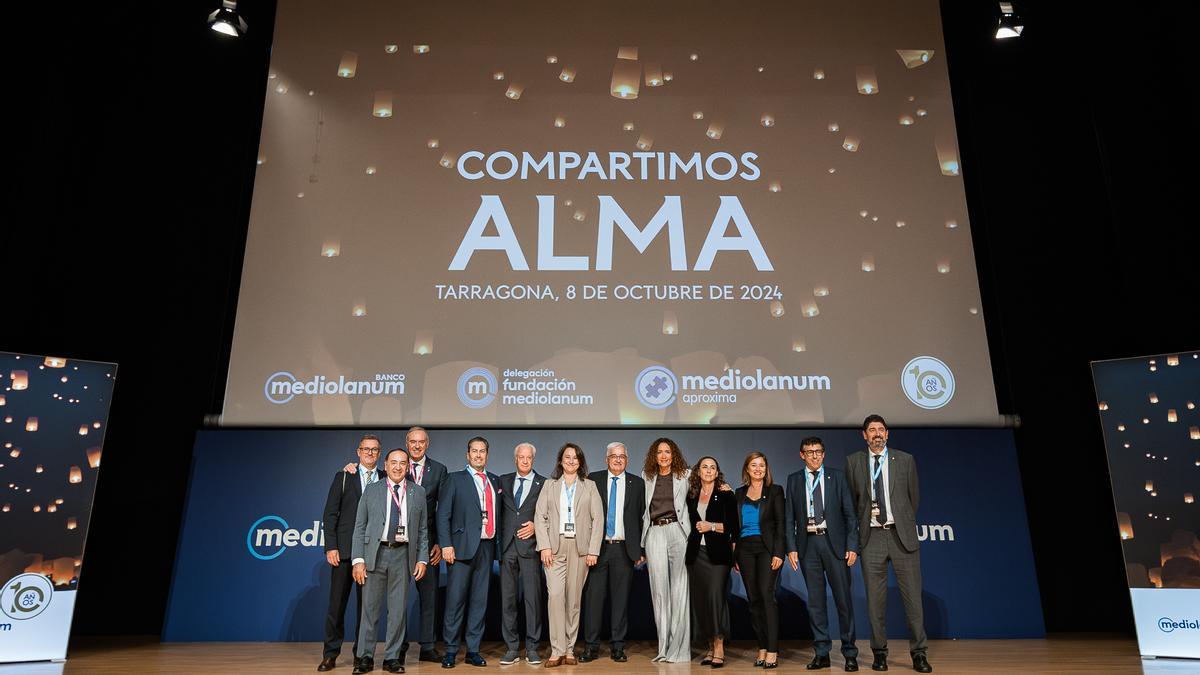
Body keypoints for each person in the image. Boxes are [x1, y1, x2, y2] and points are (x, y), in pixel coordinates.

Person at [846, 416, 932, 673]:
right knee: (875, 602)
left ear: (887, 433)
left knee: (913, 601)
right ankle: (879, 653)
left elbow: (912, 498)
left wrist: (900, 522)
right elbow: (853, 503)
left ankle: (919, 654)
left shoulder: (905, 459)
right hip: (871, 537)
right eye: (871, 430)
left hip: (901, 536)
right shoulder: (854, 462)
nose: (877, 434)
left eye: (881, 429)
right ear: (864, 435)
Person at [350, 448, 430, 674]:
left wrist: (422, 559)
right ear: (385, 465)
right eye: (393, 462)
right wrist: (358, 559)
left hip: (403, 555)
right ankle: (365, 657)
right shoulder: (372, 490)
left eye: (402, 463)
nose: (397, 467)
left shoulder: (418, 492)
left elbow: (423, 530)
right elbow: (359, 527)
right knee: (370, 610)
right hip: (375, 553)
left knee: (397, 611)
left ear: (407, 466)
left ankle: (393, 658)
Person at [786, 437, 860, 672]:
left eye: (818, 451)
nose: (814, 456)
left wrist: (852, 545)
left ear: (824, 454)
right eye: (809, 452)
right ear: (801, 455)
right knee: (816, 604)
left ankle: (849, 653)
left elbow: (850, 514)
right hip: (808, 545)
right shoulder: (794, 479)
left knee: (843, 602)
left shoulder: (837, 477)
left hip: (834, 545)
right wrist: (791, 547)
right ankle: (822, 652)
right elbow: (789, 518)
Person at [319, 434, 385, 672]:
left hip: (374, 552)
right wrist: (331, 546)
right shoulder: (344, 476)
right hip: (345, 551)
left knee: (366, 608)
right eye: (365, 449)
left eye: (374, 450)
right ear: (358, 452)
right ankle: (330, 653)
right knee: (337, 605)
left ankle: (362, 654)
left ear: (379, 454)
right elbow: (330, 514)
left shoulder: (387, 478)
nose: (369, 453)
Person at [535, 443, 604, 667]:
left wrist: (593, 550)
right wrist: (544, 546)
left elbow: (598, 520)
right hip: (554, 548)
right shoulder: (549, 485)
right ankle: (556, 649)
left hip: (580, 549)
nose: (571, 461)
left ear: (581, 462)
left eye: (576, 458)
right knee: (555, 597)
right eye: (567, 457)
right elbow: (540, 517)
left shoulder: (590, 486)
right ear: (560, 461)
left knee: (573, 601)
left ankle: (570, 649)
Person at [437, 436, 501, 668]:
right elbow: (442, 515)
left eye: (482, 451)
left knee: (479, 602)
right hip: (460, 549)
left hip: (486, 547)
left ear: (487, 454)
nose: (478, 455)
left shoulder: (494, 481)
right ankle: (451, 651)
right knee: (455, 602)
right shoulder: (455, 479)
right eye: (474, 451)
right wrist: (446, 544)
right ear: (467, 454)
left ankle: (473, 650)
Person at [579, 441, 645, 663]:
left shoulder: (637, 483)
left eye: (622, 456)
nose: (618, 460)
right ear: (606, 459)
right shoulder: (592, 480)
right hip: (597, 549)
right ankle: (591, 646)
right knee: (593, 600)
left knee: (621, 601)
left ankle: (618, 646)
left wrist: (640, 550)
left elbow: (642, 518)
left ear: (627, 459)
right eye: (614, 456)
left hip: (624, 550)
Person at [641, 438, 692, 662]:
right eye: (660, 452)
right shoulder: (646, 476)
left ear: (674, 455)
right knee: (659, 593)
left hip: (678, 532)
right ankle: (664, 648)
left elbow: (709, 486)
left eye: (668, 452)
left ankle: (679, 651)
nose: (663, 456)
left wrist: (723, 486)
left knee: (680, 591)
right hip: (654, 533)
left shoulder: (687, 475)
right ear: (654, 455)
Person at [685, 456, 738, 669]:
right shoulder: (691, 496)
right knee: (701, 602)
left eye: (712, 467)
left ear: (717, 473)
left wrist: (712, 526)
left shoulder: (726, 494)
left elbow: (734, 528)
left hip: (718, 556)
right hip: (696, 556)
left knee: (716, 597)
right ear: (698, 472)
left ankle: (719, 646)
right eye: (704, 467)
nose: (708, 470)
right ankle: (708, 646)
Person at [734, 451, 785, 669]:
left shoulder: (775, 491)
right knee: (753, 600)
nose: (758, 469)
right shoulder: (738, 493)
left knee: (766, 596)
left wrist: (778, 553)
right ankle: (762, 647)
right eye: (753, 465)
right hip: (745, 550)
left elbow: (781, 525)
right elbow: (734, 526)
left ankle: (772, 650)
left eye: (761, 465)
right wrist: (734, 554)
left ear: (766, 469)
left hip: (767, 549)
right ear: (747, 469)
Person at [403, 427, 449, 664]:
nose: (417, 446)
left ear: (427, 444)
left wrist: (441, 542)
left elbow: (444, 510)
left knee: (429, 596)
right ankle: (397, 644)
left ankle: (428, 646)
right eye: (413, 442)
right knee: (397, 596)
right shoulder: (396, 464)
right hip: (398, 542)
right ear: (407, 443)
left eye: (421, 442)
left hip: (428, 543)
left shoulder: (439, 470)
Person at [498, 442, 546, 665]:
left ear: (533, 460)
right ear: (515, 459)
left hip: (530, 548)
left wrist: (537, 526)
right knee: (508, 600)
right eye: (521, 457)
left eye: (529, 458)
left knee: (532, 600)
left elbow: (550, 514)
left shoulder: (543, 484)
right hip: (507, 548)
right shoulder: (503, 481)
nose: (525, 461)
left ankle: (533, 647)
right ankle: (511, 648)